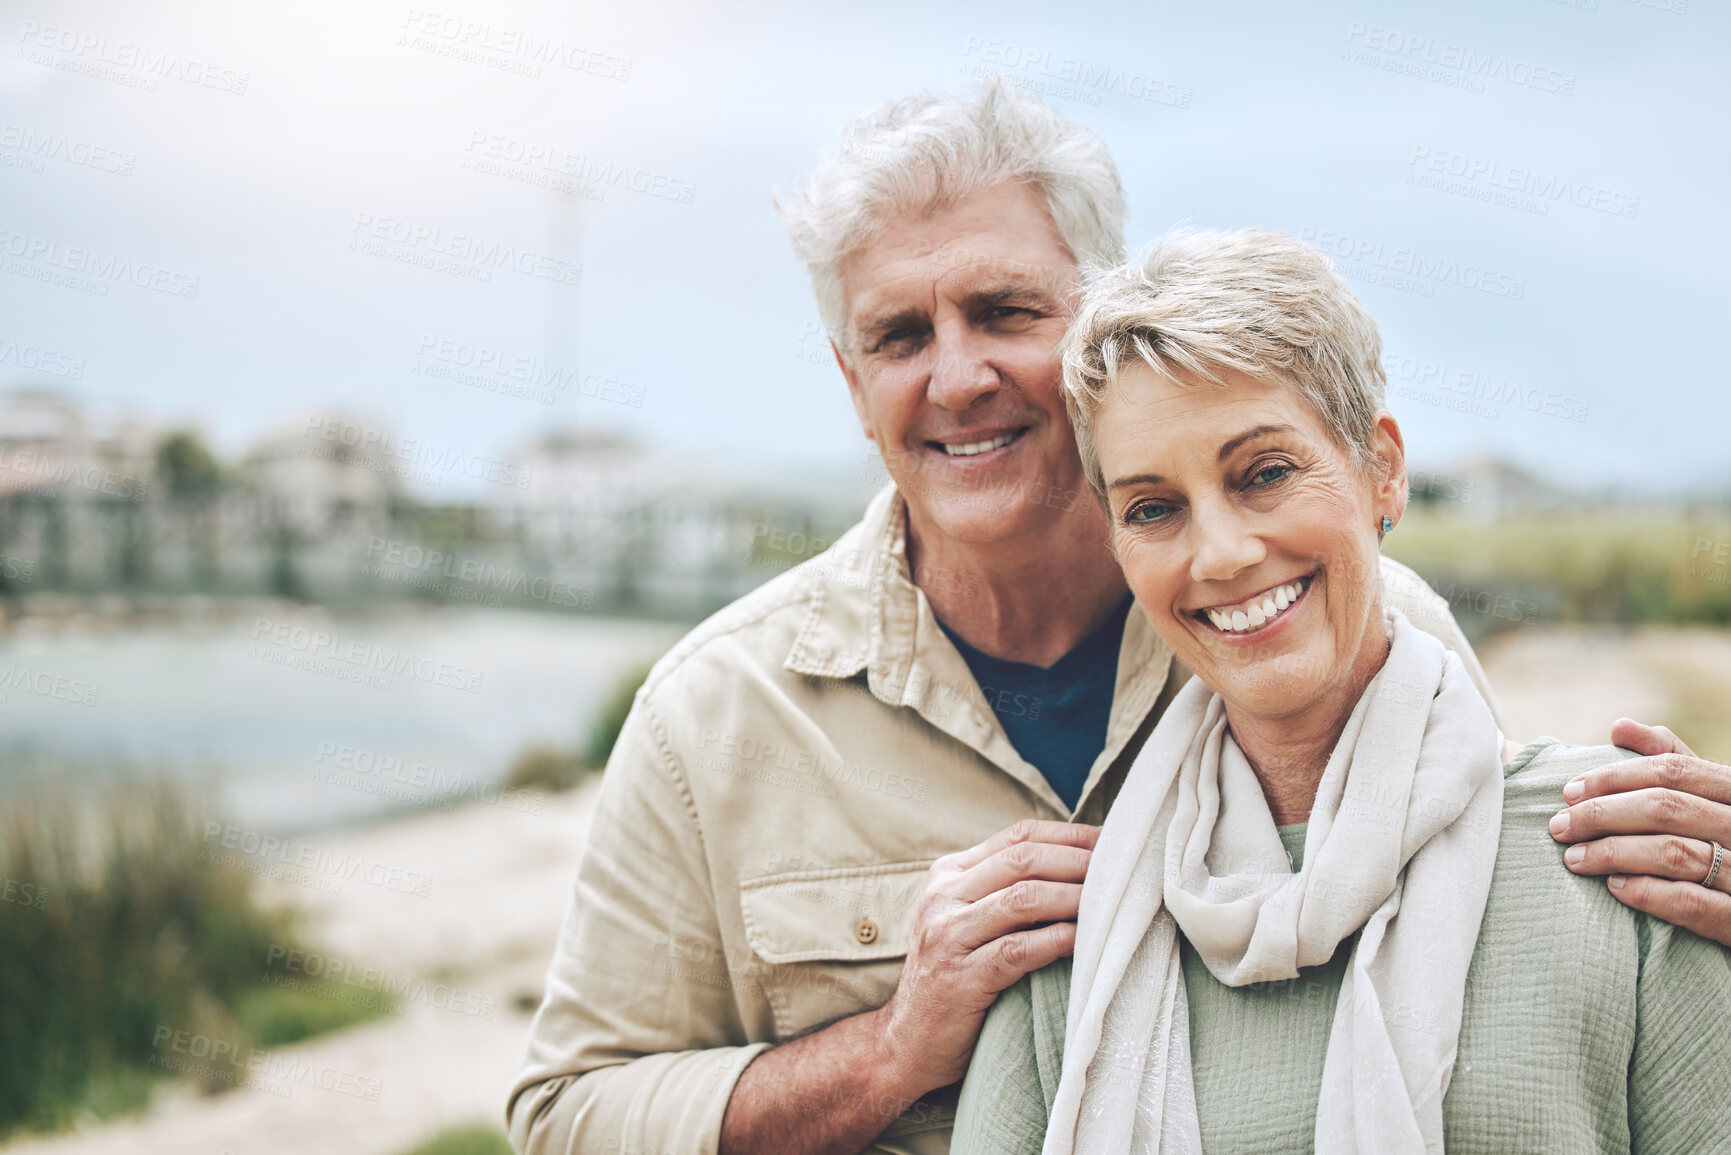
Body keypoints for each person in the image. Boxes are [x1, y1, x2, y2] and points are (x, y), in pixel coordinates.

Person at [508, 81, 1731, 1155]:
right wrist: (893, 1052)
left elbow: (1494, 921)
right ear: (850, 383)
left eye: (1002, 311)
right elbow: (566, 1118)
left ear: (1097, 314)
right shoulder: (716, 716)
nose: (957, 377)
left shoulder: (1325, 617)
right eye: (898, 336)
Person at [950, 229, 1731, 1153]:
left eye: (1266, 473)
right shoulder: (1080, 940)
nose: (1222, 553)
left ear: (1381, 469)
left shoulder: (1626, 861)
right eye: (1153, 507)